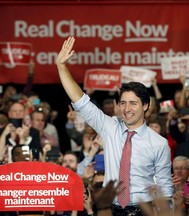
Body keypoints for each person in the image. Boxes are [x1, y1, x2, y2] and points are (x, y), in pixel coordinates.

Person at [56, 37, 173, 215]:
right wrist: (61, 67)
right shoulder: (109, 127)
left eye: (133, 103)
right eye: (123, 103)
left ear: (145, 106)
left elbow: (165, 189)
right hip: (111, 210)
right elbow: (80, 101)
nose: (127, 109)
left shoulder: (159, 143)